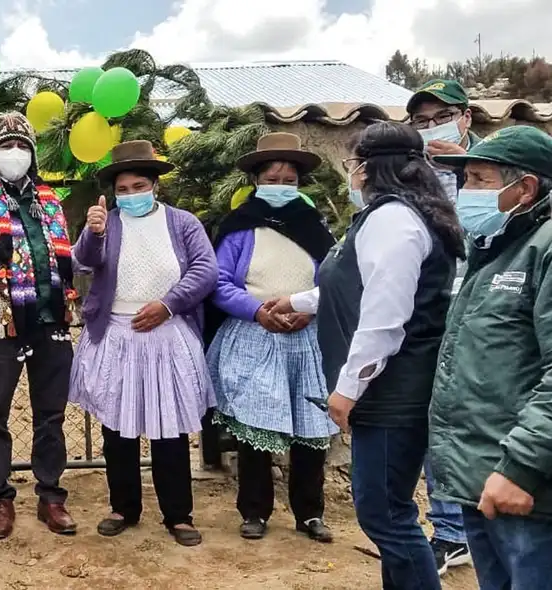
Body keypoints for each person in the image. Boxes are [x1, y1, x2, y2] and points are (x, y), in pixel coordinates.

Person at [267, 122, 463, 590]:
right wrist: (299, 301)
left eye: (352, 164)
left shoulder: (394, 220)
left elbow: (384, 317)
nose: (350, 174)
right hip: (392, 385)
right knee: (389, 509)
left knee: (384, 514)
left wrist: (348, 388)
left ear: (369, 168)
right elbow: (358, 282)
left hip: (394, 389)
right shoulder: (398, 215)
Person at [69, 140, 216, 547]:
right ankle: (123, 507)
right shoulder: (106, 223)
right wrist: (93, 232)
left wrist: (168, 305)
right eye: (123, 189)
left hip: (166, 332)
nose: (131, 194)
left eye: (139, 185)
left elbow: (206, 269)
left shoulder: (182, 223)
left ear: (155, 185)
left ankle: (178, 515)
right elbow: (82, 262)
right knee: (118, 427)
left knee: (169, 427)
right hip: (117, 334)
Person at [428, 126, 552, 590]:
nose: (467, 194)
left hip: (526, 487)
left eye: (479, 180)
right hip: (481, 478)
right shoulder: (496, 250)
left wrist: (521, 469)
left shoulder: (544, 248)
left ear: (525, 188)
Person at [205, 133, 338, 543]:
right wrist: (258, 311)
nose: (280, 185)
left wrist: (307, 308)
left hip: (305, 339)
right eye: (272, 177)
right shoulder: (239, 226)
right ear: (256, 180)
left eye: (288, 179)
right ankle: (255, 511)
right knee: (255, 427)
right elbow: (220, 282)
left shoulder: (315, 228)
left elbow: (335, 279)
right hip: (253, 336)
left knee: (310, 429)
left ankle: (310, 513)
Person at [0, 112, 81, 540]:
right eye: (5, 146)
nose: (15, 153)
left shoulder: (49, 199)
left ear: (32, 152)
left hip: (50, 319)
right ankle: (1, 499)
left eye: (21, 145)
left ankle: (50, 496)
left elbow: (65, 259)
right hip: (0, 323)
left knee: (51, 413)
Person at [406, 78, 478, 575]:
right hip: (432, 311)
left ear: (466, 117)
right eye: (422, 122)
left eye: (442, 117)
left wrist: (467, 168)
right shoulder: (415, 177)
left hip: (491, 310)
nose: (433, 129)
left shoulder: (501, 166)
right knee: (439, 420)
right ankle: (451, 530)